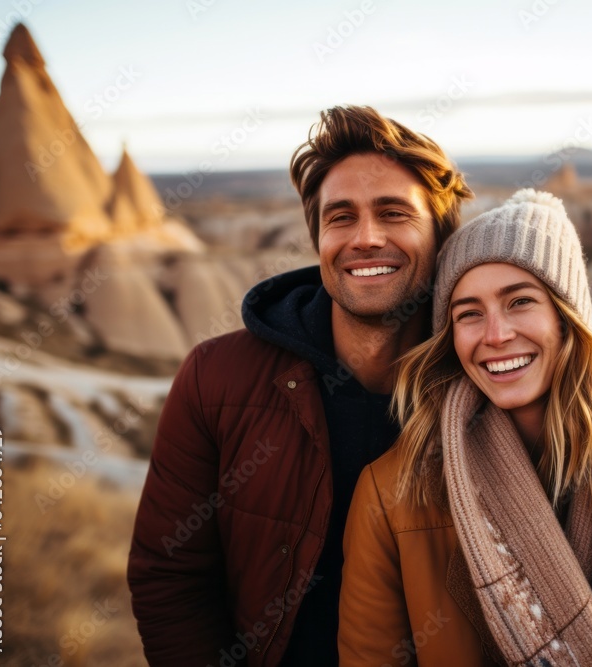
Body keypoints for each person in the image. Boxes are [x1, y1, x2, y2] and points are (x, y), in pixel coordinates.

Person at [127, 105, 473, 666]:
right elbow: (170, 576)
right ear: (318, 240)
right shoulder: (215, 378)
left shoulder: (486, 386)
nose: (365, 238)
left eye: (393, 213)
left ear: (441, 237)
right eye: (340, 217)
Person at [339, 189, 592, 666]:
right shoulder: (391, 493)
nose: (496, 335)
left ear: (566, 318)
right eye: (469, 313)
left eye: (520, 301)